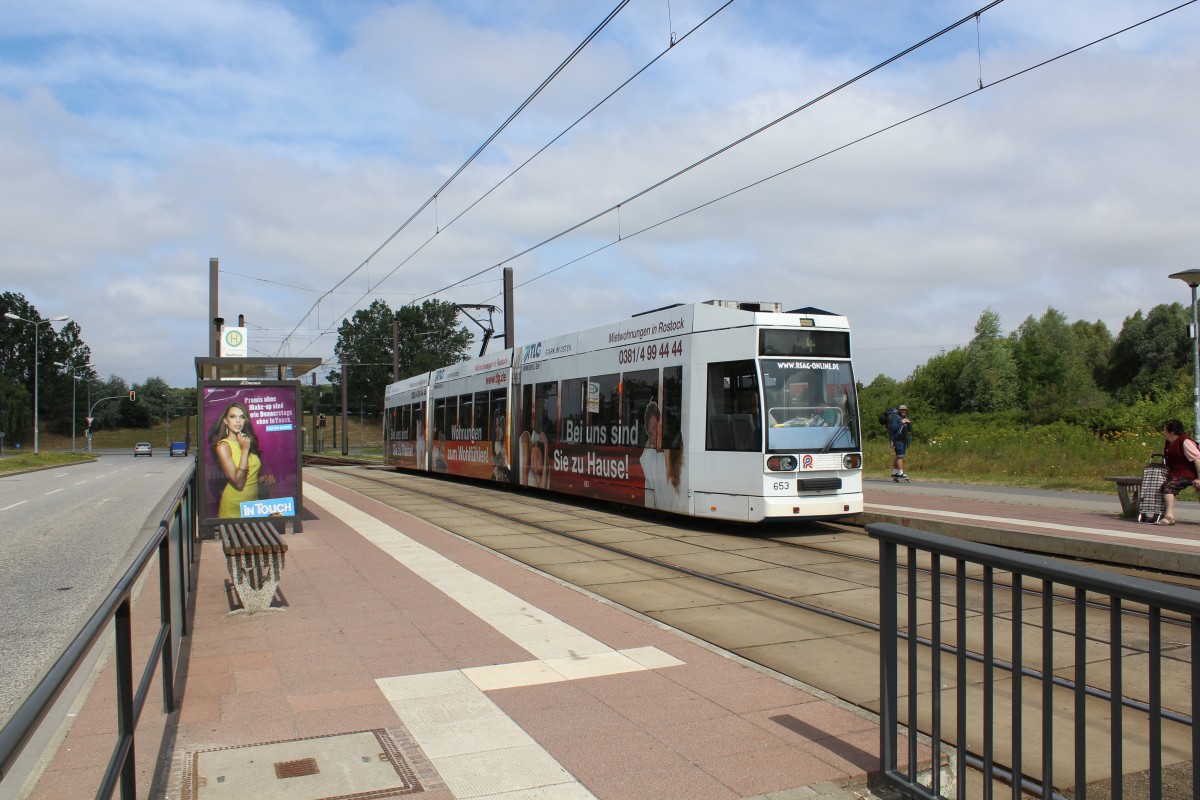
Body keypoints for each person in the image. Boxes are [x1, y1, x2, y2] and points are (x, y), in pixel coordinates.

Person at [210, 401, 274, 518]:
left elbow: (248, 475)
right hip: (234, 505)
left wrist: (262, 479)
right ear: (225, 421)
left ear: (246, 420)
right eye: (233, 416)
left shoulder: (247, 442)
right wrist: (244, 450)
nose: (238, 421)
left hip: (252, 503)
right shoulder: (223, 446)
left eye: (242, 417)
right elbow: (238, 483)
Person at [1157, 418, 1200, 525]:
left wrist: (1199, 479)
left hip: (1188, 474)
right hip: (1174, 474)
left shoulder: (1185, 441)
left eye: (1165, 430)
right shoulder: (1169, 442)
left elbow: (1197, 460)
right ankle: (1157, 513)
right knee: (1158, 484)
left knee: (1168, 486)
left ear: (1172, 431)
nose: (1163, 432)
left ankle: (1169, 517)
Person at [888, 404, 912, 482]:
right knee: (900, 456)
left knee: (898, 456)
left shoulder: (906, 418)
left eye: (905, 410)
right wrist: (902, 422)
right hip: (898, 440)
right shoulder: (896, 418)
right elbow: (893, 428)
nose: (903, 411)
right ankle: (900, 473)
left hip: (904, 440)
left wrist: (909, 423)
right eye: (902, 410)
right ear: (899, 410)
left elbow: (910, 429)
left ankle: (895, 472)